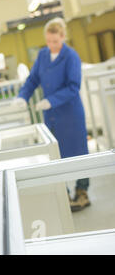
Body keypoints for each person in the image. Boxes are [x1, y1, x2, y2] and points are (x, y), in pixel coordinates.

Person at [13, 17, 90, 212]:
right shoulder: (43, 56)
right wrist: (22, 96)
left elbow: (74, 87)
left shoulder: (71, 56)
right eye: (48, 41)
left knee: (78, 154)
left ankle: (82, 192)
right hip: (51, 117)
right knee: (54, 154)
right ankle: (62, 193)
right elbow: (32, 80)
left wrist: (51, 101)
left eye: (55, 41)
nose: (52, 45)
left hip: (70, 114)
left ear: (63, 37)